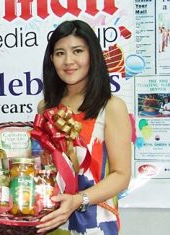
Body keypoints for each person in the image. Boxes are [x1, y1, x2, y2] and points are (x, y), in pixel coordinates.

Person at [35, 20, 131, 234]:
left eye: (77, 51)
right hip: (52, 221)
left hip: (95, 221)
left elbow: (121, 175)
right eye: (60, 53)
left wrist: (79, 200)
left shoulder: (111, 107)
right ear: (51, 59)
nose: (68, 61)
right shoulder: (46, 108)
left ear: (92, 56)